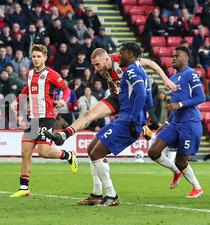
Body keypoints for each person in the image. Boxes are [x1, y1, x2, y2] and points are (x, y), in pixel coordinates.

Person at [43, 47, 178, 146]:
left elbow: (150, 63)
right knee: (89, 114)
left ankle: (143, 126)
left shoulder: (121, 59)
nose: (95, 68)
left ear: (106, 59)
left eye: (97, 64)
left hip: (132, 99)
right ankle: (63, 135)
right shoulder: (102, 70)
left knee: (136, 119)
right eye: (94, 65)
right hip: (117, 97)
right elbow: (111, 82)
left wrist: (166, 80)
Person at [79, 42, 152, 206]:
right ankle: (97, 194)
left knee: (96, 153)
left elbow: (141, 95)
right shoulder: (135, 71)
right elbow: (149, 101)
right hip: (125, 118)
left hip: (128, 120)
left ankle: (111, 196)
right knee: (91, 149)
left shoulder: (131, 70)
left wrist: (135, 119)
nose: (118, 56)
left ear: (131, 55)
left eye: (122, 53)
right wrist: (142, 117)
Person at [9, 44, 78, 198]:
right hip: (32, 118)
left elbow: (66, 89)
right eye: (34, 56)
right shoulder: (30, 74)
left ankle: (69, 155)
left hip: (46, 118)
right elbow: (26, 90)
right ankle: (23, 187)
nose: (36, 59)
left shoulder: (52, 74)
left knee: (43, 152)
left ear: (45, 58)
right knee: (25, 151)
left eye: (39, 56)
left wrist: (63, 101)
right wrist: (17, 101)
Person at [148, 46, 205, 199]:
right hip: (175, 123)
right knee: (153, 152)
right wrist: (166, 123)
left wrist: (179, 105)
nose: (173, 58)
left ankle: (197, 188)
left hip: (189, 123)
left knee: (181, 161)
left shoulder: (191, 74)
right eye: (172, 56)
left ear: (186, 58)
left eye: (177, 56)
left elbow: (201, 97)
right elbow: (174, 105)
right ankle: (176, 172)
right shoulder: (172, 79)